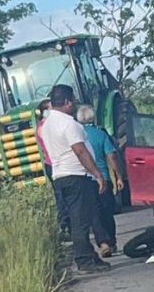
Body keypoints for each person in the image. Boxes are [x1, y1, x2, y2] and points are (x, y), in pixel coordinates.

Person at [40, 84, 109, 274]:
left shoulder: (46, 125)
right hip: (77, 176)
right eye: (74, 101)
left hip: (60, 176)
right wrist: (97, 174)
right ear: (68, 102)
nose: (76, 105)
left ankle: (90, 256)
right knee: (81, 221)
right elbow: (80, 151)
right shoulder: (69, 124)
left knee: (78, 218)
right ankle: (84, 260)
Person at [77, 104, 124, 257]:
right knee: (107, 212)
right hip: (104, 178)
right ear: (93, 117)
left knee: (94, 213)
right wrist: (118, 176)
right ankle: (111, 241)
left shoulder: (77, 136)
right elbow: (111, 156)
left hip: (86, 179)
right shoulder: (101, 134)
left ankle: (103, 243)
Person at [36, 98, 70, 235]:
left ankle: (65, 222)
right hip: (57, 163)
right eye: (51, 108)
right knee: (63, 195)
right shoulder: (48, 127)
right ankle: (66, 221)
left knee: (60, 194)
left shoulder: (40, 127)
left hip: (51, 163)